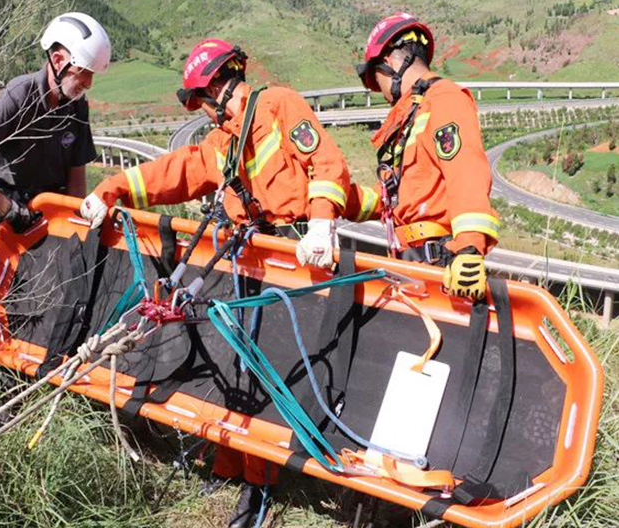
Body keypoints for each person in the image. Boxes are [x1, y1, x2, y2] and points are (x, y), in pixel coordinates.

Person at [79, 38, 352, 527]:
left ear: (213, 90)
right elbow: (173, 174)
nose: (200, 113)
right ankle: (229, 461)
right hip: (243, 261)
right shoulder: (221, 143)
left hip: (287, 260)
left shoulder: (278, 105)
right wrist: (113, 187)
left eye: (197, 103)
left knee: (267, 368)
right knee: (235, 363)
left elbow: (327, 165)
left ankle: (260, 486)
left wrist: (320, 221)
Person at [348, 13, 500, 300]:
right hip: (410, 262)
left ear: (392, 63)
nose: (379, 91)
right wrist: (342, 200)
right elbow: (402, 198)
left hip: (439, 264)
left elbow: (466, 174)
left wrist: (468, 249)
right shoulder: (414, 113)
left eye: (374, 78)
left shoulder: (444, 99)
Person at [0, 12, 111, 234]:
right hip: (12, 210)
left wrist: (76, 225)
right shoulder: (19, 96)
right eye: (83, 71)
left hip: (53, 209)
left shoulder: (77, 105)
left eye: (92, 75)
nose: (88, 83)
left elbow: (76, 177)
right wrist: (7, 208)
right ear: (58, 60)